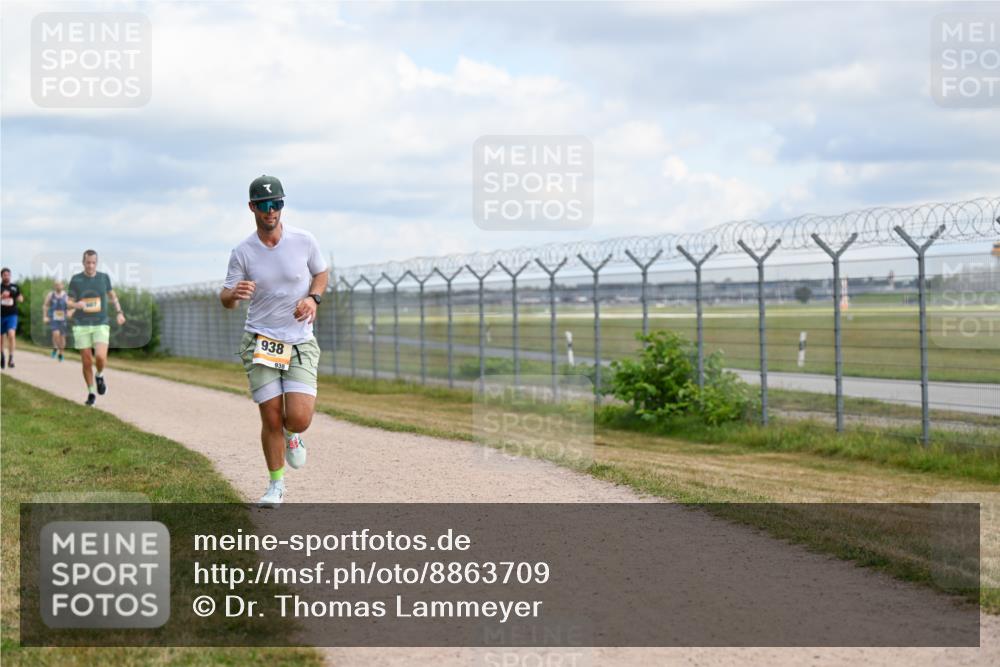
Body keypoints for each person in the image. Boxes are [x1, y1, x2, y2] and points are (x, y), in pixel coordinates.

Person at [221, 175, 328, 508]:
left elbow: (321, 273)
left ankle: (293, 436)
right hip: (261, 340)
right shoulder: (242, 252)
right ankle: (275, 485)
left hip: (299, 341)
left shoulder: (304, 240)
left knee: (298, 417)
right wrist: (233, 294)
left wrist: (313, 299)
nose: (272, 211)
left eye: (277, 204)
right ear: (252, 208)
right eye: (265, 205)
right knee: (270, 417)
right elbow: (226, 298)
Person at [67, 250, 126, 405]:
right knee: (86, 361)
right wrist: (76, 304)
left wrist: (119, 312)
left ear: (96, 263)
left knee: (100, 357)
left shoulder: (104, 278)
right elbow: (68, 302)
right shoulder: (76, 280)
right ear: (83, 262)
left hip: (101, 323)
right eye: (88, 262)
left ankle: (99, 375)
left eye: (93, 262)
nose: (91, 265)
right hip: (81, 325)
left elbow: (113, 296)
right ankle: (91, 393)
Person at [1, 268, 24, 369]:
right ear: (1, 276)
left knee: (11, 334)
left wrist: (15, 296)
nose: (7, 276)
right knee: (1, 339)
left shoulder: (14, 287)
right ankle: (2, 356)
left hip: (12, 315)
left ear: (10, 276)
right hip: (1, 315)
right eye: (5, 275)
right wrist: (2, 296)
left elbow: (21, 298)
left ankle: (11, 358)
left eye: (8, 275)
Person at [43, 280, 70, 361]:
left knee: (62, 337)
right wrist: (45, 316)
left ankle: (61, 353)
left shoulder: (66, 296)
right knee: (55, 334)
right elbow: (45, 305)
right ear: (54, 286)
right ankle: (55, 347)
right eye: (56, 285)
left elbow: (71, 306)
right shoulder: (51, 295)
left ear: (63, 286)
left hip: (63, 319)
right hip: (54, 318)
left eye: (60, 285)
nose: (58, 286)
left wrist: (70, 312)